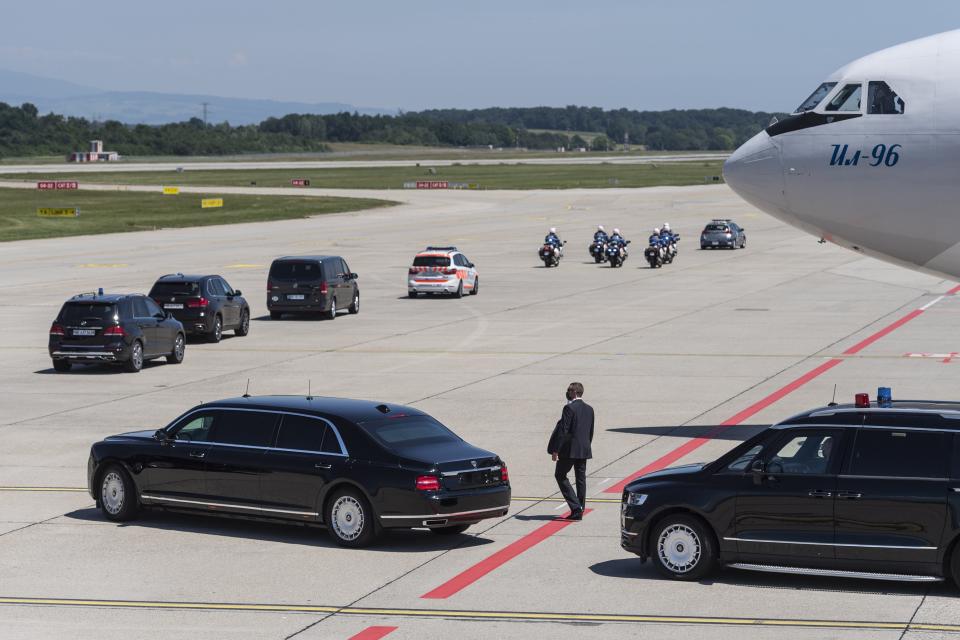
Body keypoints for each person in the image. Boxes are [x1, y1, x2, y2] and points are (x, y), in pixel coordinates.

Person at [547, 382, 595, 520]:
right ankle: (580, 508)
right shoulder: (589, 409)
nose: (567, 392)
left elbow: (563, 430)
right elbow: (590, 431)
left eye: (569, 390)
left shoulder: (569, 408)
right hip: (584, 448)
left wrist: (556, 450)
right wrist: (586, 446)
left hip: (570, 450)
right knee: (581, 479)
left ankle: (575, 507)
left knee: (560, 475)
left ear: (575, 392)